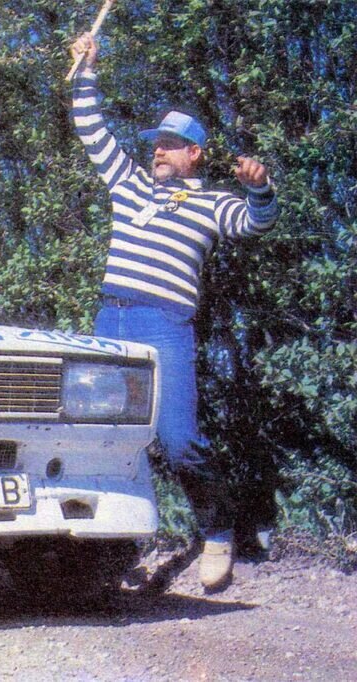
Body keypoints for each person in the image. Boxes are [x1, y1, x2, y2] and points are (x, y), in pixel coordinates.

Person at [68, 34, 280, 592]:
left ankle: (217, 529)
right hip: (110, 322)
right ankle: (106, 549)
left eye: (170, 144)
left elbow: (254, 223)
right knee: (100, 437)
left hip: (165, 324)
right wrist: (87, 69)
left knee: (179, 439)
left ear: (194, 155)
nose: (158, 151)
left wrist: (260, 189)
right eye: (156, 144)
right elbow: (91, 129)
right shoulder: (129, 183)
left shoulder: (213, 203)